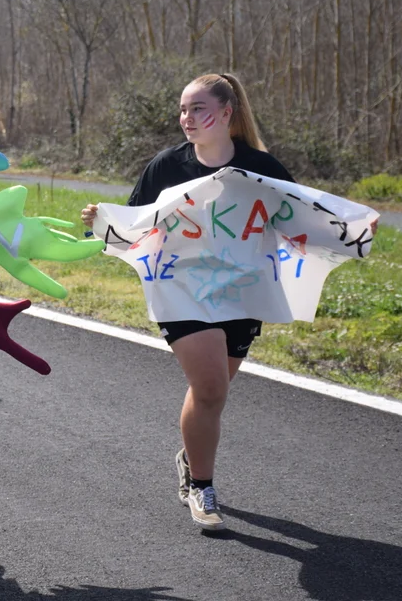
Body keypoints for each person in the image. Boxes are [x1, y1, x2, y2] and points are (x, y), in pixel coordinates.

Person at [81, 73, 294, 532]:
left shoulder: (262, 167)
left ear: (226, 113)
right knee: (211, 387)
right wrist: (100, 221)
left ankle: (191, 454)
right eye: (183, 109)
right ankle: (201, 485)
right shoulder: (166, 166)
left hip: (240, 293)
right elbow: (135, 224)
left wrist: (348, 229)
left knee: (211, 394)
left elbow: (301, 220)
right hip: (179, 290)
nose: (187, 117)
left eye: (198, 108)